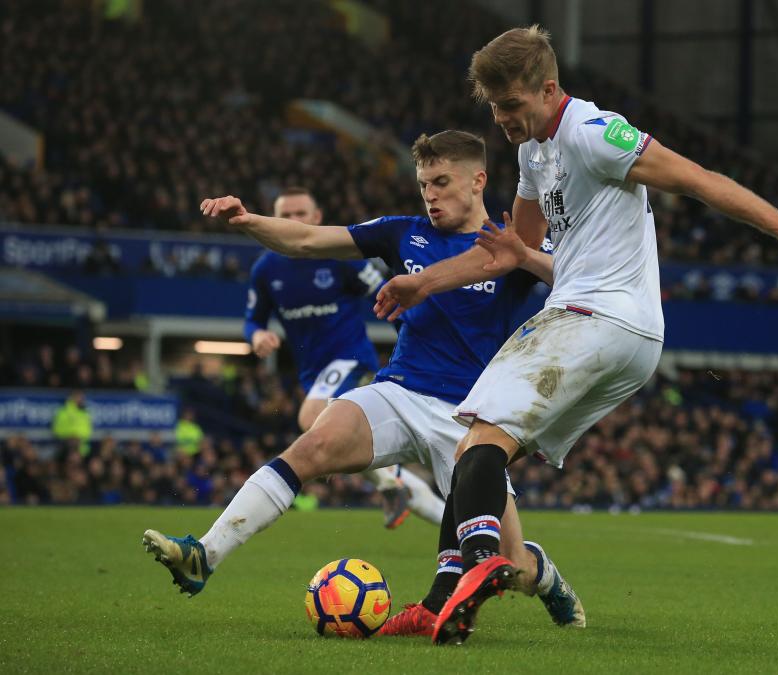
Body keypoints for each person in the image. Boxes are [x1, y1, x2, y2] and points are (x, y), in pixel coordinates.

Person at [373, 25, 778, 645]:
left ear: (549, 89)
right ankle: (455, 596)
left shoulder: (595, 132)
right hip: (611, 330)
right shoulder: (531, 154)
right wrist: (425, 283)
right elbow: (512, 252)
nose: (503, 119)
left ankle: (484, 563)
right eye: (494, 108)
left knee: (480, 440)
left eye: (513, 105)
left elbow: (699, 178)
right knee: (476, 451)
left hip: (597, 316)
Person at [141, 130, 583, 634]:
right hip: (398, 390)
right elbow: (309, 240)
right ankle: (205, 554)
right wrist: (248, 221)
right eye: (423, 185)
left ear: (478, 180)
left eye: (441, 182)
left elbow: (575, 277)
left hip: (473, 422)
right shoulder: (403, 233)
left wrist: (523, 256)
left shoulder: (507, 242)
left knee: (512, 569)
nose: (430, 195)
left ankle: (543, 574)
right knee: (313, 445)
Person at [244, 186, 443, 528]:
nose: (293, 220)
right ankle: (408, 493)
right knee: (343, 443)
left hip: (351, 359)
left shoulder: (341, 260)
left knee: (310, 419)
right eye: (285, 215)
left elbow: (393, 300)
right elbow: (253, 319)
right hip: (312, 372)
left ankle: (392, 483)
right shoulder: (266, 270)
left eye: (300, 214)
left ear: (316, 218)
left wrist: (413, 353)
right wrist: (258, 335)